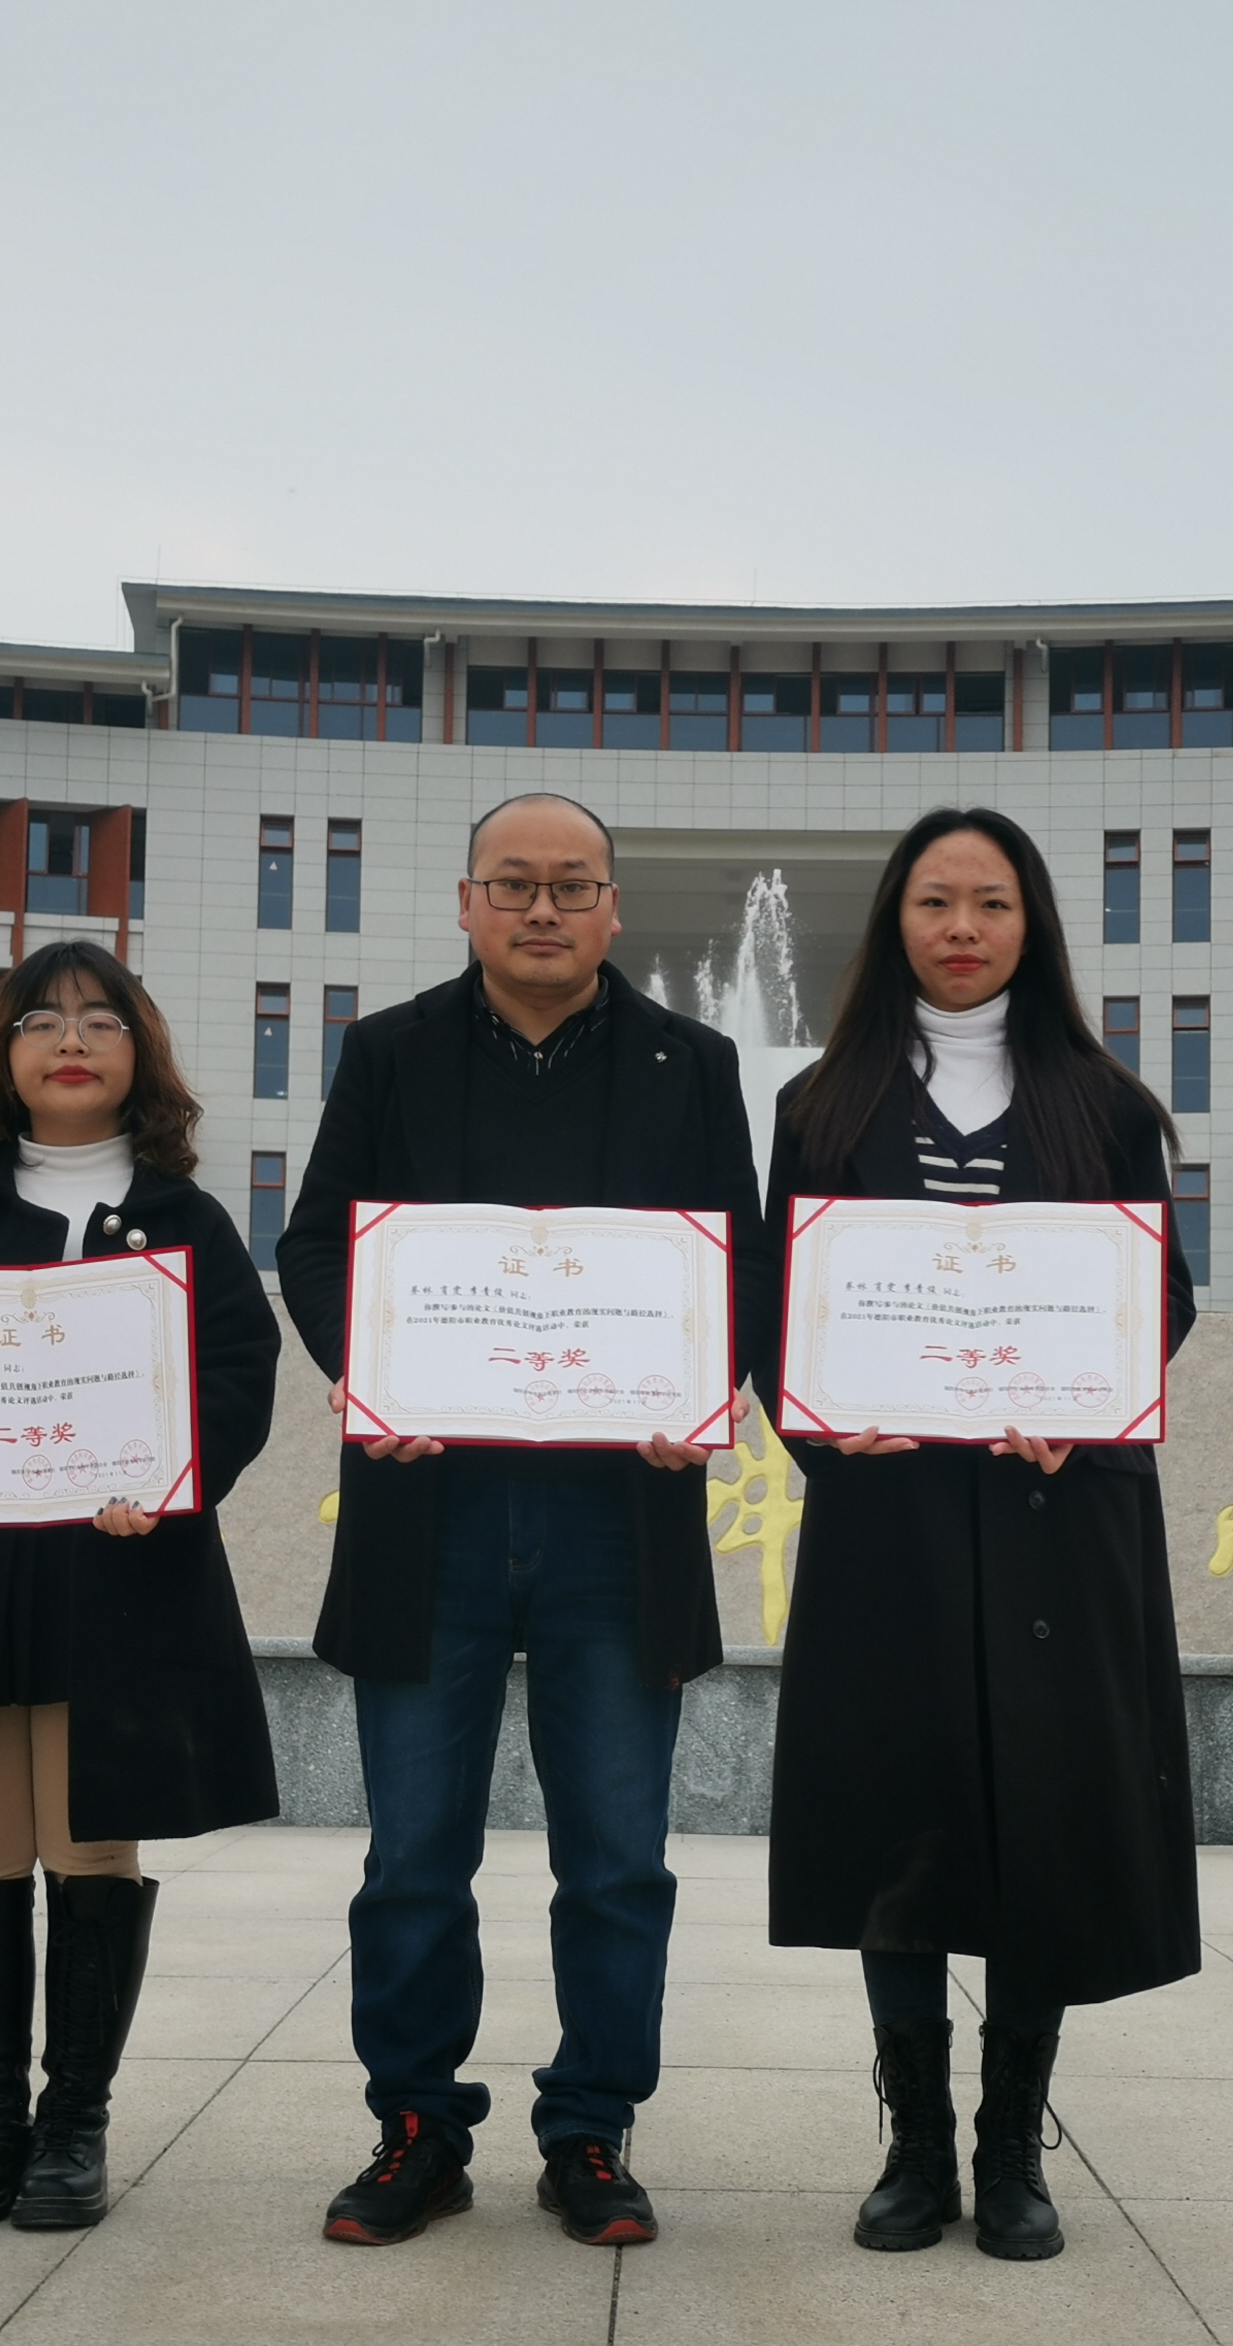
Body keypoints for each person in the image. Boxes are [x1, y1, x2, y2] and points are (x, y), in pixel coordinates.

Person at [277, 792, 766, 2249]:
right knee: (413, 1859)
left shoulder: (694, 1062)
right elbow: (317, 1244)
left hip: (621, 1522)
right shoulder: (389, 1051)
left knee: (615, 1859)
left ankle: (591, 2131)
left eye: (571, 885)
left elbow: (738, 1262)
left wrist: (703, 1385)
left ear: (613, 908)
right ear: (467, 902)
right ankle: (416, 2128)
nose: (542, 909)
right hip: (430, 1511)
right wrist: (365, 1369)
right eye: (514, 884)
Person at [755, 807, 1200, 2261]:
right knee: (897, 1816)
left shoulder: (1106, 1105)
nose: (961, 928)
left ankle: (1012, 2144)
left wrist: (1088, 1400)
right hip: (888, 1522)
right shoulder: (823, 1104)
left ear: (1031, 924)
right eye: (935, 901)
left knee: (1042, 1823)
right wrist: (823, 1422)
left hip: (1057, 1520)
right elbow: (778, 1309)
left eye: (991, 903)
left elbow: (1159, 1299)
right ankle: (916, 2149)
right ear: (896, 919)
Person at [0, 939, 281, 2233]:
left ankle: (74, 2124)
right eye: (40, 1021)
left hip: (116, 1574)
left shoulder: (185, 1219)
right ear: (3, 1058)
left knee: (91, 1841)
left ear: (142, 1053)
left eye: (99, 1019)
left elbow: (238, 1375)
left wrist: (170, 1478)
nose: (70, 1040)